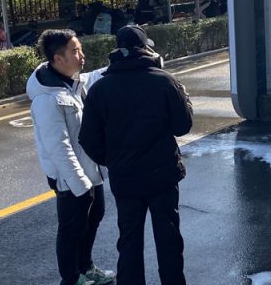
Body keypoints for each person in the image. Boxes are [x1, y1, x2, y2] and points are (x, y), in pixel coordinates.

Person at [79, 26, 193, 285]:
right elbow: (182, 126)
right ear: (146, 48)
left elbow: (87, 138)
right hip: (162, 175)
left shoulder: (101, 89)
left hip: (125, 178)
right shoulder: (165, 81)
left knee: (128, 241)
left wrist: (112, 160)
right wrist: (185, 99)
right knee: (169, 238)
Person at [27, 29, 117, 285]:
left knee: (94, 217)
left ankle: (86, 267)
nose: (81, 55)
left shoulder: (71, 82)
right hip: (71, 179)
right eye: (75, 51)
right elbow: (59, 147)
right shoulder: (47, 99)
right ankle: (70, 278)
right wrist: (80, 185)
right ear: (58, 58)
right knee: (71, 228)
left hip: (91, 171)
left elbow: (94, 76)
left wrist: (130, 60)